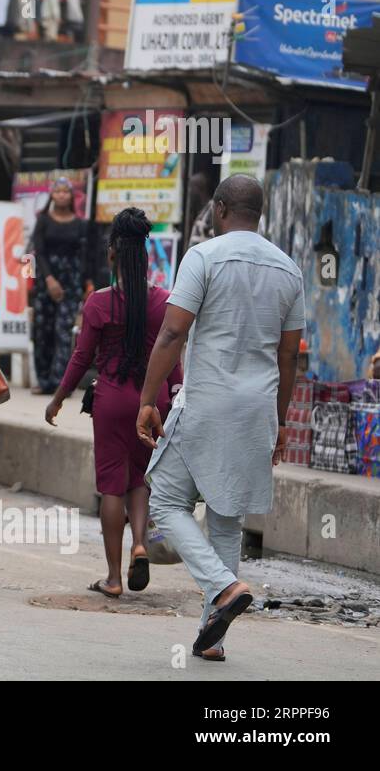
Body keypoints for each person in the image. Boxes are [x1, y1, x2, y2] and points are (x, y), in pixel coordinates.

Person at [137, 174, 305, 663]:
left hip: (207, 404)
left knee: (166, 501)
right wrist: (280, 422)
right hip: (256, 411)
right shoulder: (289, 269)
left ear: (220, 208)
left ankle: (224, 587)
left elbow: (171, 335)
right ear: (261, 212)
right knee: (226, 519)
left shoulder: (204, 256)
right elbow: (289, 357)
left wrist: (149, 399)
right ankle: (216, 637)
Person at [44, 207, 183, 598]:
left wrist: (58, 399)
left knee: (111, 487)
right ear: (146, 253)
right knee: (140, 478)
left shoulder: (99, 303)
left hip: (111, 400)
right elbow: (171, 352)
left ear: (111, 255)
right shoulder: (164, 301)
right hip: (151, 401)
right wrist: (174, 394)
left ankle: (113, 577)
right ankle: (140, 543)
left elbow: (81, 358)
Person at [31, 177, 96, 393]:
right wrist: (49, 280)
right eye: (57, 191)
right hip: (46, 281)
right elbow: (38, 252)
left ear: (71, 196)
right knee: (43, 331)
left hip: (71, 282)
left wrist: (87, 282)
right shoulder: (43, 221)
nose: (61, 195)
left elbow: (86, 255)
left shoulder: (80, 224)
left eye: (65, 191)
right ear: (52, 195)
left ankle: (60, 384)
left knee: (63, 331)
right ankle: (43, 381)